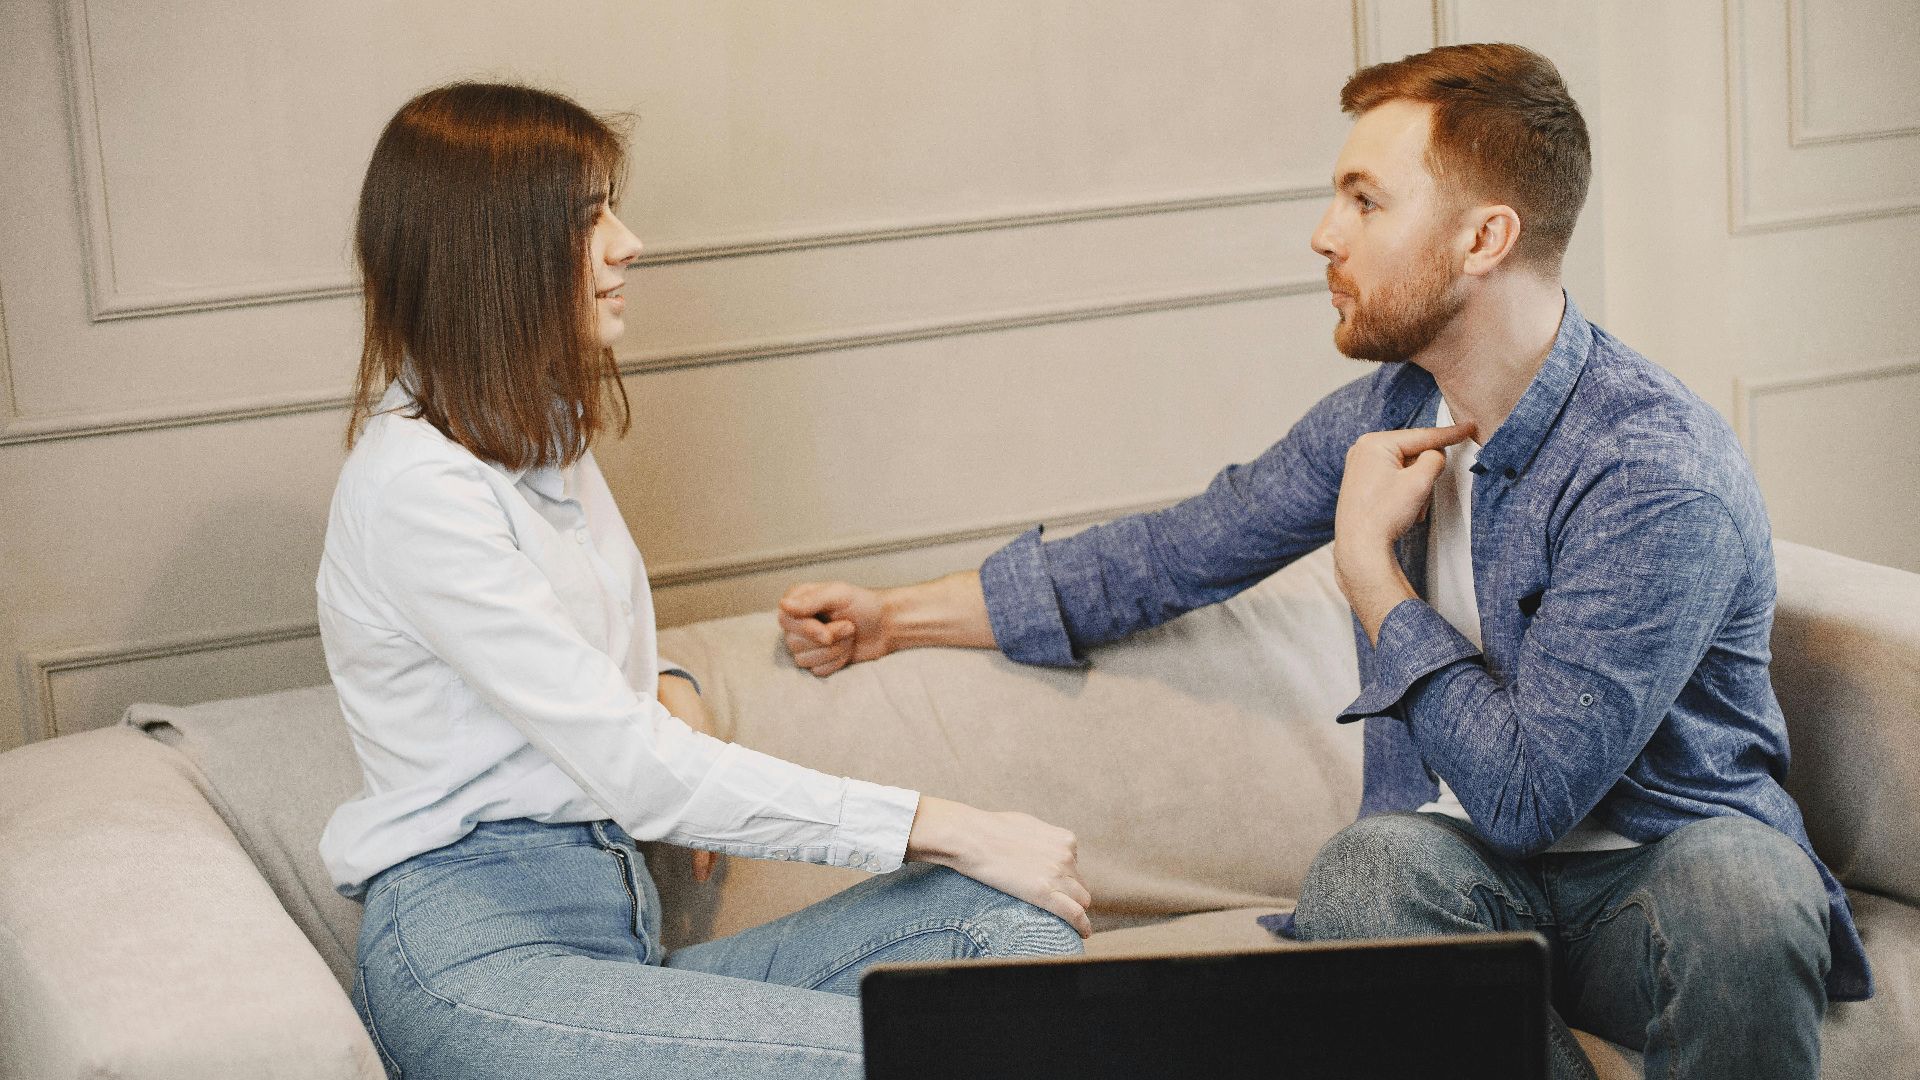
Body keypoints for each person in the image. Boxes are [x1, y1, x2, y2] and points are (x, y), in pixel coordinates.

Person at [778, 43, 1866, 1080]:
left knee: (1745, 890)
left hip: (1665, 875)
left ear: (1484, 239)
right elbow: (1173, 553)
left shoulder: (1649, 468)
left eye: (1364, 199)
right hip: (1465, 888)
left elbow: (1532, 793)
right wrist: (892, 618)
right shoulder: (1389, 414)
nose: (1323, 234)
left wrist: (1372, 575)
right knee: (1367, 870)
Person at [316, 82, 1087, 1080]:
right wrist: (937, 823)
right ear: (496, 251)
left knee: (1001, 911)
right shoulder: (414, 489)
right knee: (924, 1044)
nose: (628, 243)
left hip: (624, 951)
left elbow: (569, 686)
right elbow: (632, 768)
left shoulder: (537, 439)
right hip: (484, 968)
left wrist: (663, 682)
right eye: (591, 219)